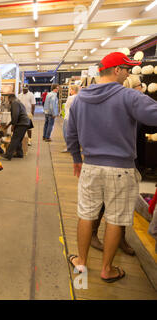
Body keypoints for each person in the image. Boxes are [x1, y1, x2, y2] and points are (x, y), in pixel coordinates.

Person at [66, 52, 157, 283]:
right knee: (115, 219)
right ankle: (107, 269)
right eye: (126, 70)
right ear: (116, 70)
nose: (128, 74)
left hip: (90, 167)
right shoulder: (129, 96)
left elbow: (70, 132)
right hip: (121, 169)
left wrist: (77, 158)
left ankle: (81, 263)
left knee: (86, 215)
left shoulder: (79, 99)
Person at [90, 75, 145, 256]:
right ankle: (99, 238)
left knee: (119, 206)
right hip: (116, 162)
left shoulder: (134, 105)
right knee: (108, 205)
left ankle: (117, 239)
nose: (142, 89)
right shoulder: (126, 104)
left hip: (125, 160)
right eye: (139, 86)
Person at [2, 89, 33, 160]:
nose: (8, 101)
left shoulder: (14, 103)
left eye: (8, 99)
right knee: (18, 139)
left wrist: (13, 125)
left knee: (14, 139)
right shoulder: (18, 102)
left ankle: (8, 155)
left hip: (22, 123)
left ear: (10, 98)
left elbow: (15, 115)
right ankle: (20, 153)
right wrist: (9, 125)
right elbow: (15, 116)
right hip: (25, 123)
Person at [61, 85, 79, 152]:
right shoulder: (79, 97)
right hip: (75, 117)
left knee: (66, 132)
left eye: (71, 89)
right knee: (73, 133)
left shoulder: (70, 97)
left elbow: (66, 107)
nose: (70, 91)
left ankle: (69, 147)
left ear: (74, 90)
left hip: (68, 117)